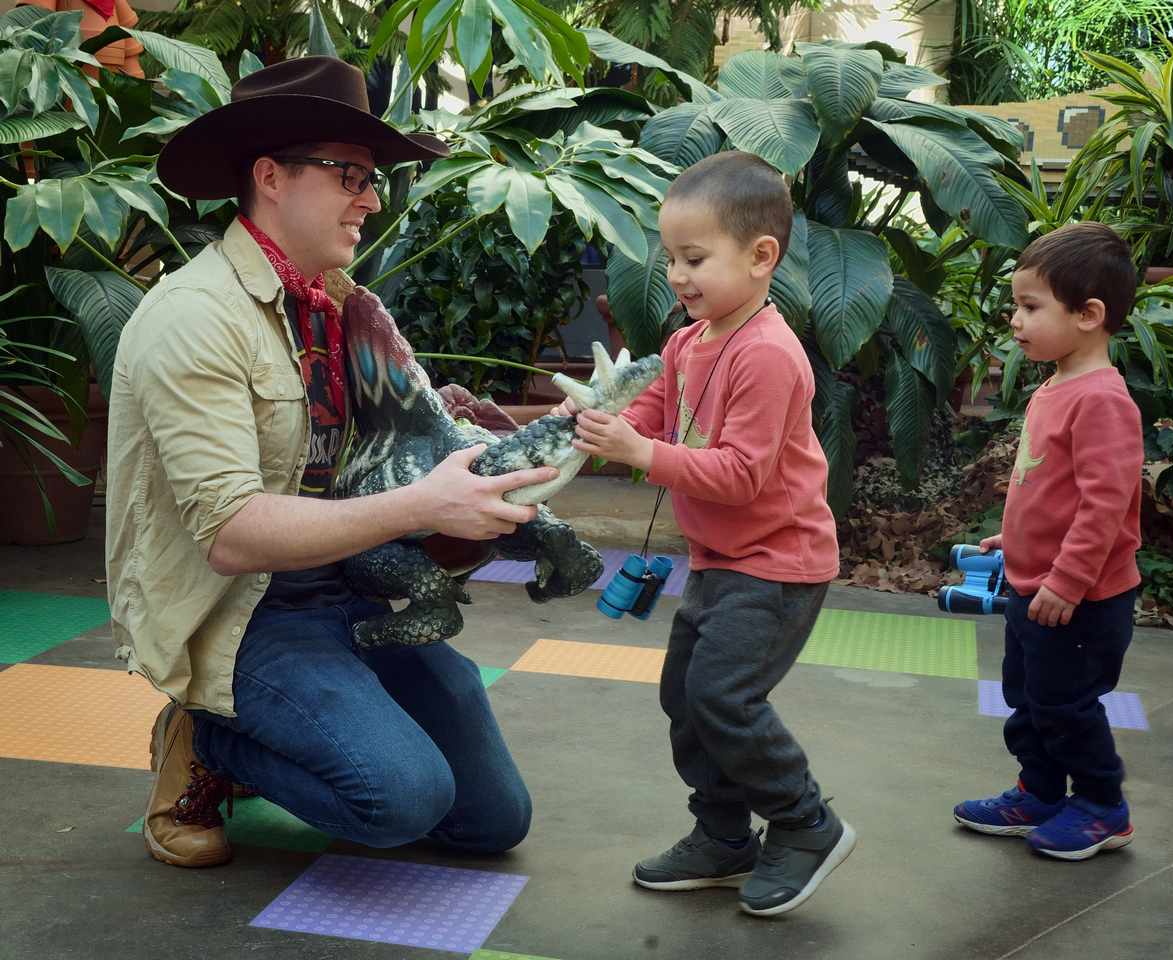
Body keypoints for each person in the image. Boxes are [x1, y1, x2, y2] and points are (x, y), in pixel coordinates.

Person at [106, 56, 561, 868]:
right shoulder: (192, 318)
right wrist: (424, 505)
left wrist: (494, 456)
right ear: (271, 177)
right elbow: (233, 535)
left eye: (373, 176)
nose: (372, 196)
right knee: (399, 799)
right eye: (350, 173)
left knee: (494, 821)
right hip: (245, 617)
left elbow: (398, 442)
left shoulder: (340, 304)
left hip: (346, 594)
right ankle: (209, 740)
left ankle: (299, 725)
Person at [552, 151, 854, 916]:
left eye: (695, 259)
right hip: (721, 561)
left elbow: (742, 474)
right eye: (671, 259)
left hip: (780, 564)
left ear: (761, 258)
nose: (678, 277)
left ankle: (805, 823)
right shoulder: (691, 342)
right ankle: (723, 837)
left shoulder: (769, 354)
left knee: (723, 694)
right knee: (685, 698)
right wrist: (601, 422)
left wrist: (640, 453)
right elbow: (649, 416)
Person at [953, 221, 1142, 861]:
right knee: (1027, 697)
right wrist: (1010, 538)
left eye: (1032, 307)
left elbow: (1105, 505)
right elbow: (1048, 488)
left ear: (1089, 315)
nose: (1016, 320)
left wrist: (1067, 579)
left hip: (1080, 600)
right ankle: (1038, 791)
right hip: (1035, 589)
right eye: (1017, 305)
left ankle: (1100, 806)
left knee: (1066, 705)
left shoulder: (1103, 400)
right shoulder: (1056, 386)